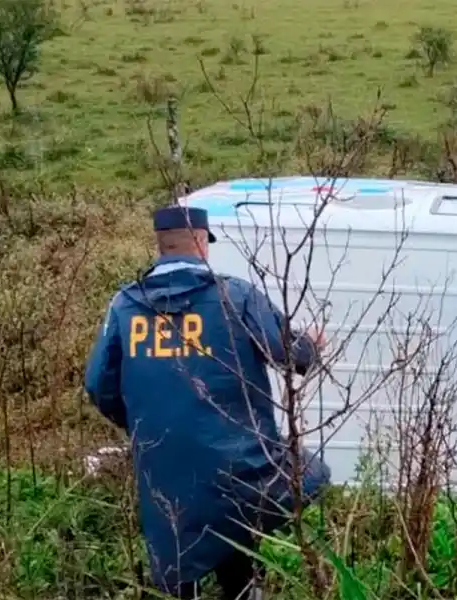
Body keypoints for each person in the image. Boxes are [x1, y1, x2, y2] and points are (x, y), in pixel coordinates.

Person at [84, 205, 331, 600]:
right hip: (239, 461)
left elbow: (98, 385)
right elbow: (291, 355)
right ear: (201, 242)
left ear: (160, 245)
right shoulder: (235, 295)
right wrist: (312, 346)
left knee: (178, 555)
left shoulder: (125, 305)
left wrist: (145, 423)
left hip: (163, 461)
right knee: (306, 478)